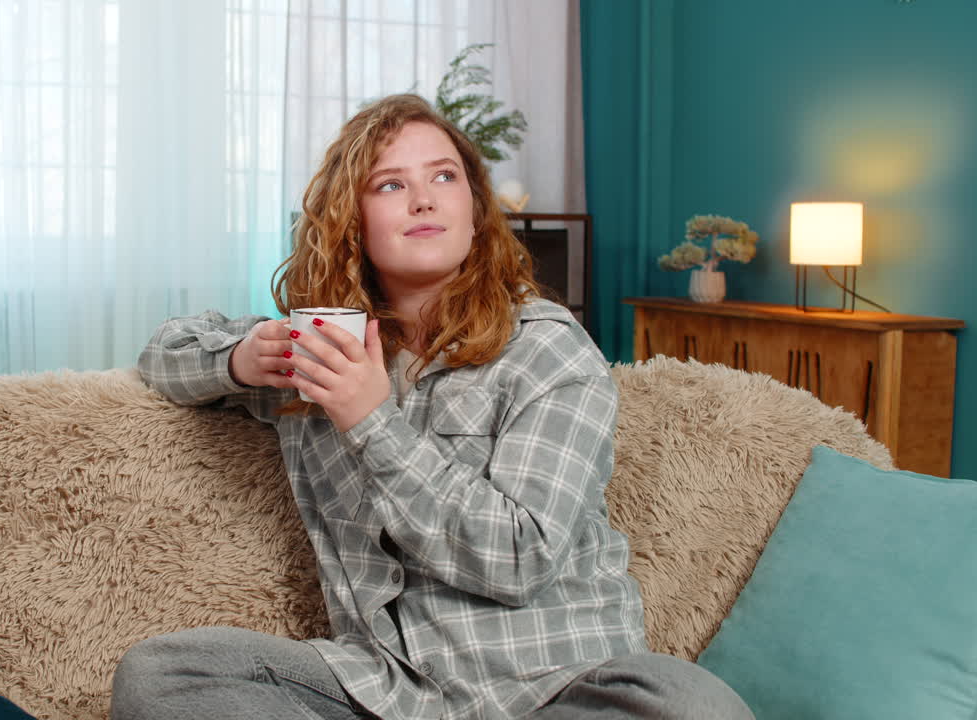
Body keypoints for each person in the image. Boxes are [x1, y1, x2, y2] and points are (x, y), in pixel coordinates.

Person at [113, 94, 752, 720]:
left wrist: (371, 423)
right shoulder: (326, 352)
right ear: (352, 224)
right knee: (165, 673)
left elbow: (518, 558)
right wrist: (240, 358)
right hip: (388, 688)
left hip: (561, 687)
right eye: (390, 185)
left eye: (444, 177)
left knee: (696, 705)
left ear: (474, 211)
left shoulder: (547, 349)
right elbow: (162, 355)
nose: (423, 198)